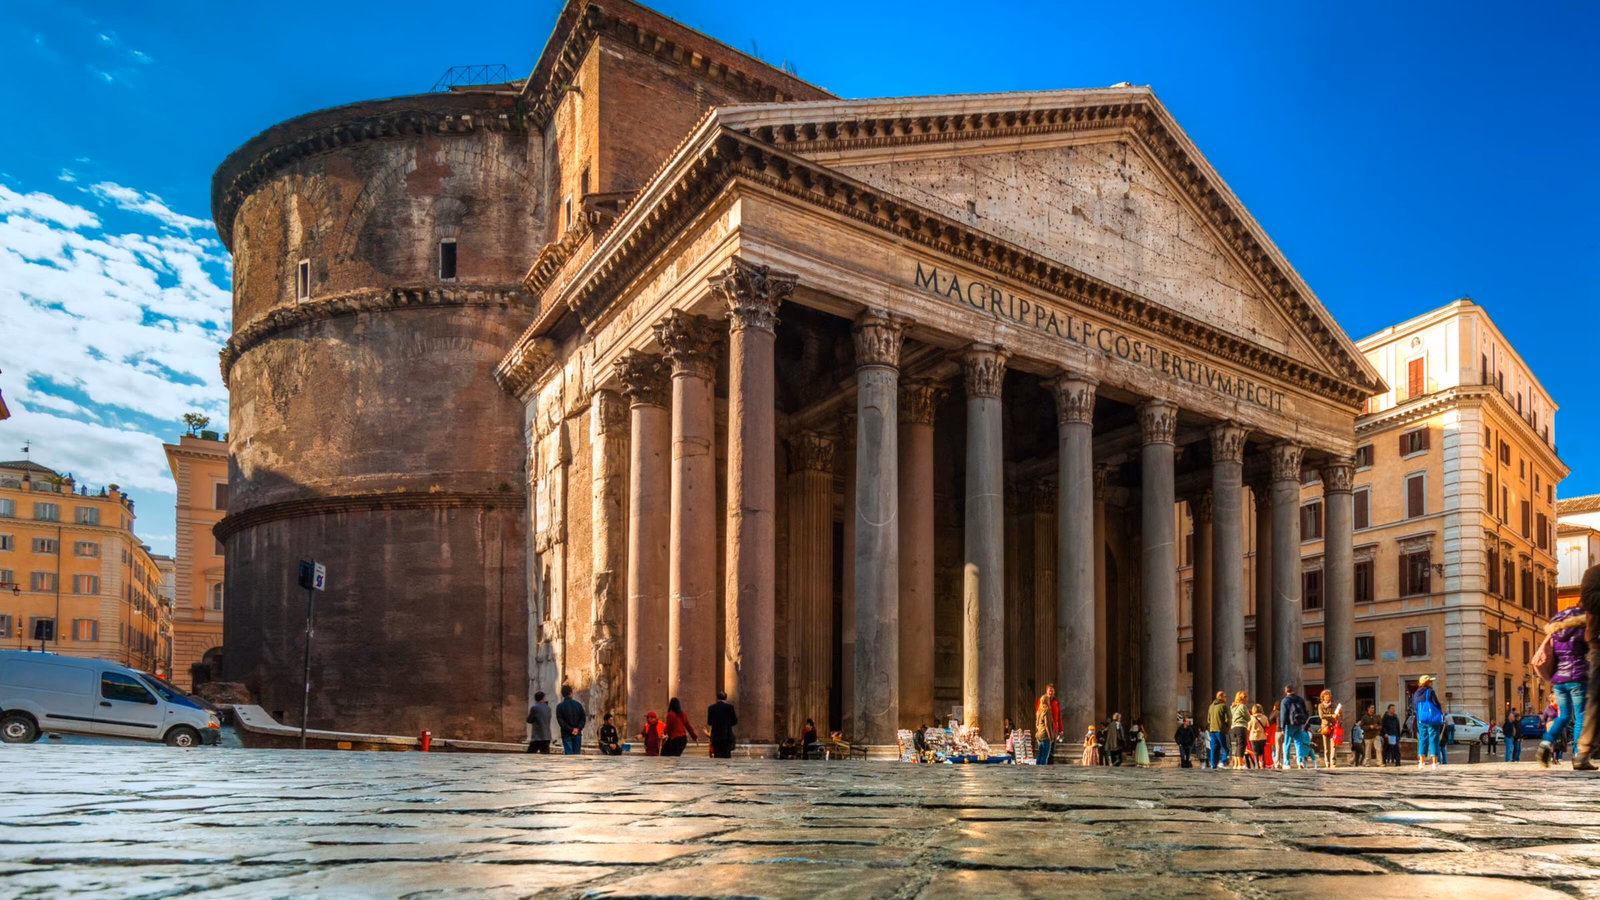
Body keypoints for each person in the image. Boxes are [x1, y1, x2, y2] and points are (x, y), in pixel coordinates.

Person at [1535, 604, 1589, 768]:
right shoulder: (1582, 629)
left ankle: (1545, 743)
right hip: (1577, 678)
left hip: (1558, 681)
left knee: (1564, 716)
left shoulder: (1556, 632)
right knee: (1580, 716)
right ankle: (1578, 755)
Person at [1573, 563, 1600, 769]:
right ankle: (1583, 752)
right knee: (1596, 696)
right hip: (1599, 642)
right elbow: (1590, 601)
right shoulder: (1593, 573)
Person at [1413, 675, 1444, 768]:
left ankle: (1421, 762)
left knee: (1422, 739)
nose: (1432, 683)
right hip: (1431, 720)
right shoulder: (1430, 692)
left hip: (1421, 720)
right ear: (1427, 683)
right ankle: (1434, 762)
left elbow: (1415, 708)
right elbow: (1437, 704)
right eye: (1430, 682)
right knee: (1433, 739)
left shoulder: (1416, 693)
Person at [1279, 684, 1312, 768]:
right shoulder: (1300, 699)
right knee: (1299, 743)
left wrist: (1282, 727)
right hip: (1299, 724)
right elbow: (1305, 711)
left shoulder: (1285, 701)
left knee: (1287, 743)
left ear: (1286, 691)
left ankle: (1287, 763)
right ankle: (1300, 761)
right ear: (1294, 690)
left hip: (1289, 724)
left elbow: (1283, 715)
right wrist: (1304, 723)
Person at [1035, 684, 1062, 765]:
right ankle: (1043, 769)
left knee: (1041, 753)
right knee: (1045, 754)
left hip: (1044, 732)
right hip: (1047, 732)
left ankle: (1039, 768)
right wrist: (1050, 737)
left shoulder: (1055, 702)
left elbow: (1059, 716)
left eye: (1052, 691)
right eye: (1050, 690)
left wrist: (1060, 729)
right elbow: (1047, 724)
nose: (1051, 692)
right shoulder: (1046, 710)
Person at [556, 685, 586, 755]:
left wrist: (570, 729)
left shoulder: (560, 706)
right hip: (577, 733)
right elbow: (583, 718)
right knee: (576, 754)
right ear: (571, 693)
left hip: (566, 733)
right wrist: (578, 728)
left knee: (569, 755)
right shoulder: (578, 705)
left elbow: (561, 721)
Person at [707, 691, 738, 759]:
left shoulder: (711, 708)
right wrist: (728, 725)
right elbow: (735, 721)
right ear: (726, 698)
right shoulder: (730, 707)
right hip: (727, 735)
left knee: (717, 755)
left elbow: (709, 722)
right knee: (726, 755)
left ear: (717, 698)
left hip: (715, 735)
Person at [1205, 691, 1229, 769]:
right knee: (1225, 747)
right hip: (1221, 729)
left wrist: (1210, 727)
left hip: (1212, 730)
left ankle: (1213, 764)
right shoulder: (1223, 706)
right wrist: (1227, 727)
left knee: (1214, 748)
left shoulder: (1211, 706)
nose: (1226, 698)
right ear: (1220, 697)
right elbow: (1228, 718)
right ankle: (1222, 761)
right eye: (1225, 696)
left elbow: (1208, 719)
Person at [1229, 691, 1250, 769]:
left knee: (1238, 745)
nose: (1246, 699)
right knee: (1242, 745)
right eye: (1245, 697)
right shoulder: (1242, 706)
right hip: (1241, 726)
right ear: (1241, 698)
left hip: (1234, 727)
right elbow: (1248, 717)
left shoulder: (1233, 707)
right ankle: (1240, 764)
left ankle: (1236, 764)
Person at [1247, 704, 1268, 769]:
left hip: (1253, 737)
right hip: (1262, 736)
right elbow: (1267, 726)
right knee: (1262, 752)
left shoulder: (1251, 718)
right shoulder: (1264, 717)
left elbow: (1248, 728)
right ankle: (1263, 764)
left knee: (1255, 752)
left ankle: (1256, 765)